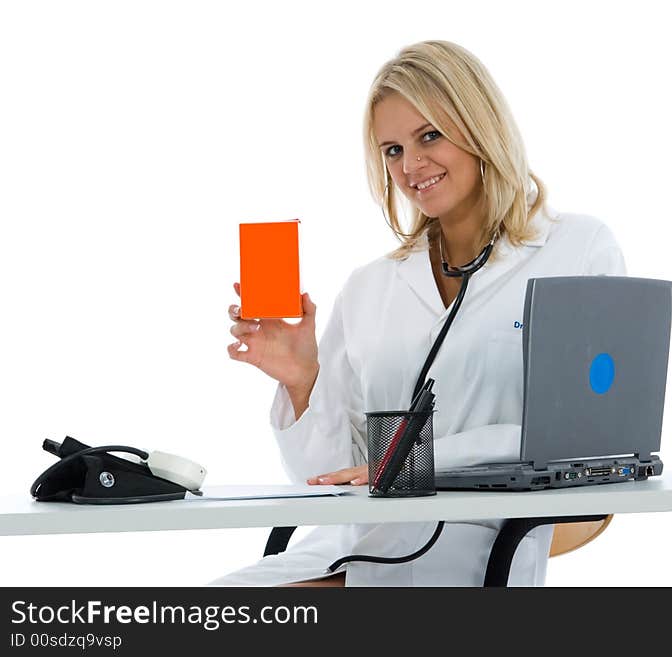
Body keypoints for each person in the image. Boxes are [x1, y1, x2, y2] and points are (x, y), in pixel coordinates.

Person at [209, 40, 626, 587]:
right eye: (392, 150)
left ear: (480, 127)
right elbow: (331, 475)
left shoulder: (577, 249)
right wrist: (303, 383)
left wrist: (419, 461)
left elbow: (582, 433)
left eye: (429, 135)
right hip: (358, 539)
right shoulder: (371, 287)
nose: (411, 166)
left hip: (482, 539)